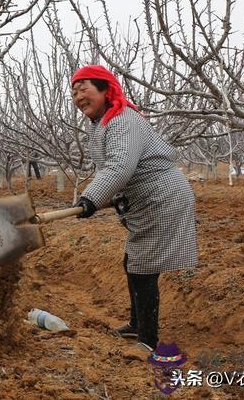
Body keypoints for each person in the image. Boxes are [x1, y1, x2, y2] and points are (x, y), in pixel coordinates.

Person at [70, 65, 198, 353]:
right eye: (75, 92)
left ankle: (147, 340)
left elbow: (120, 166)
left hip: (161, 198)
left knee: (142, 268)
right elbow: (113, 171)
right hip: (146, 199)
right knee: (133, 262)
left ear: (105, 89)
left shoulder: (123, 119)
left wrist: (91, 198)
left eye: (84, 89)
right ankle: (136, 323)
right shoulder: (104, 123)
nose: (78, 96)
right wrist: (90, 201)